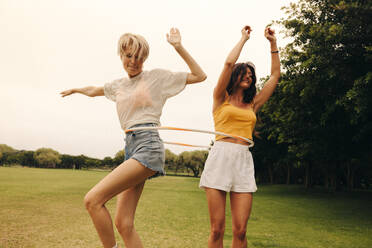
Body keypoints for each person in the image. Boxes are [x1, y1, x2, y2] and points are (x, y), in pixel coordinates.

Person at [60, 27, 206, 248]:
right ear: (122, 55)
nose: (134, 62)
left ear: (145, 58)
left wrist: (178, 47)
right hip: (130, 147)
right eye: (129, 56)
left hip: (148, 144)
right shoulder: (118, 85)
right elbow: (94, 90)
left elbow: (199, 75)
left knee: (92, 200)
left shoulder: (156, 77)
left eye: (139, 57)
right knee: (123, 223)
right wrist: (76, 90)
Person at [199, 25, 280, 248]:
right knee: (217, 230)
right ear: (235, 76)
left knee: (241, 231)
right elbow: (227, 64)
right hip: (220, 157)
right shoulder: (220, 98)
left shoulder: (252, 104)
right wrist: (243, 39)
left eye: (251, 75)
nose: (249, 76)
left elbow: (275, 75)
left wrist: (273, 44)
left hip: (243, 159)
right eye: (244, 73)